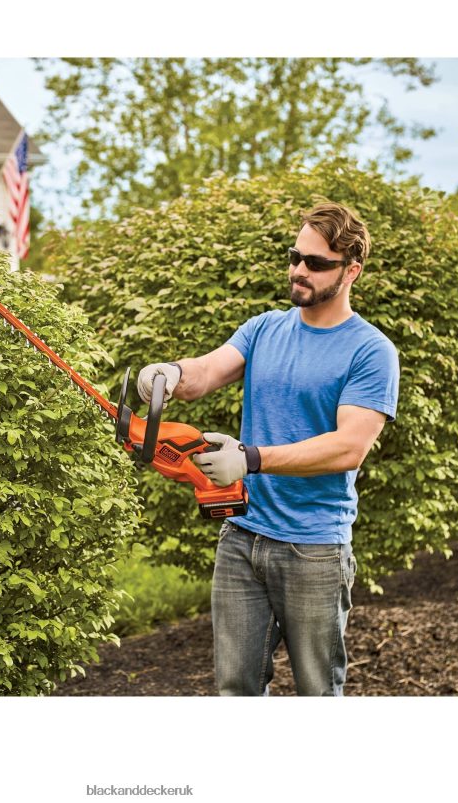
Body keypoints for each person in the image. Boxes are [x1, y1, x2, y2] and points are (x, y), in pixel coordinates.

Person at [137, 202, 399, 696]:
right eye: (295, 257)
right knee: (235, 690)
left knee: (317, 692)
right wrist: (172, 373)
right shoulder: (264, 329)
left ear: (351, 271)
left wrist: (250, 459)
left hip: (314, 548)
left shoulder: (370, 351)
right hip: (241, 538)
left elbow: (348, 448)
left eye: (316, 263)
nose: (299, 270)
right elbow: (206, 372)